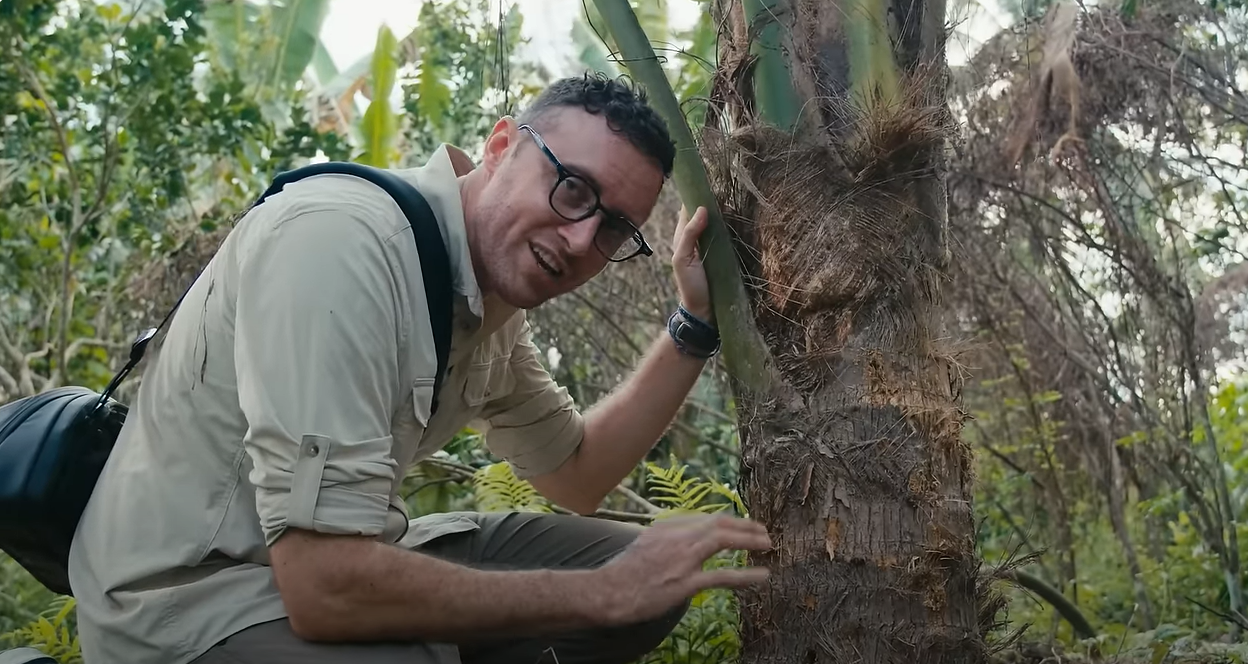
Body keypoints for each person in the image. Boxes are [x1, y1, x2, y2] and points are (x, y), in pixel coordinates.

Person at [67, 73, 771, 664]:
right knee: (603, 594)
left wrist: (695, 323)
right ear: (500, 147)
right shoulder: (343, 248)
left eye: (614, 226)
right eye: (572, 190)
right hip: (189, 601)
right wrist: (603, 592)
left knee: (638, 590)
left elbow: (577, 473)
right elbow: (324, 585)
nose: (583, 238)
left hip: (340, 557)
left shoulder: (484, 300)